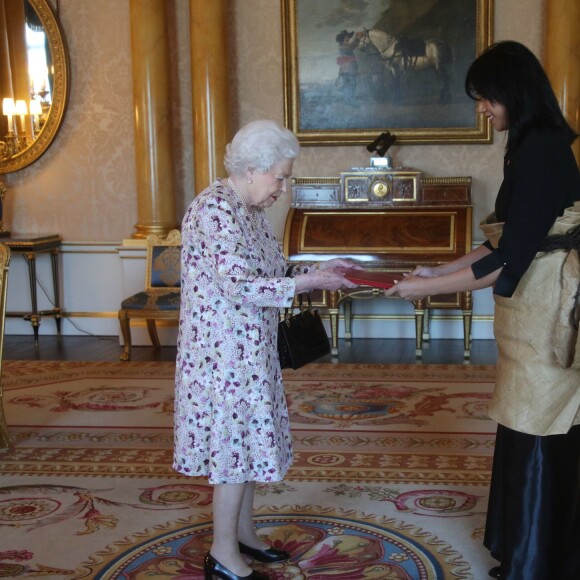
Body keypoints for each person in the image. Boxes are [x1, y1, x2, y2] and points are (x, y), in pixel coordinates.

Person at [384, 41, 580, 580]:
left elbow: (512, 254)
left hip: (549, 308)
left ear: (510, 92)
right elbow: (503, 240)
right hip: (532, 302)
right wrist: (434, 272)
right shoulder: (527, 144)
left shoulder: (542, 149)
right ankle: (524, 548)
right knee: (523, 417)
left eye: (485, 98)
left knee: (540, 420)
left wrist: (427, 291)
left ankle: (539, 561)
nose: (482, 109)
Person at [173, 119, 359, 580]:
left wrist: (318, 267)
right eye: (280, 176)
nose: (283, 186)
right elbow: (239, 285)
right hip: (222, 356)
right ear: (253, 169)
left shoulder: (249, 210)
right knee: (233, 448)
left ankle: (243, 534)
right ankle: (222, 553)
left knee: (249, 444)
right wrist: (312, 282)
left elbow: (272, 269)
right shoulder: (215, 210)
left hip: (250, 353)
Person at [335, 30, 362, 103]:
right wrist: (358, 38)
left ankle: (348, 100)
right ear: (342, 39)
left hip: (347, 70)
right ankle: (350, 101)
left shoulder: (343, 46)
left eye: (348, 37)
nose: (348, 38)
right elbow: (352, 46)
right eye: (346, 37)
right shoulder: (344, 46)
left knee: (349, 85)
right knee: (352, 85)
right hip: (348, 70)